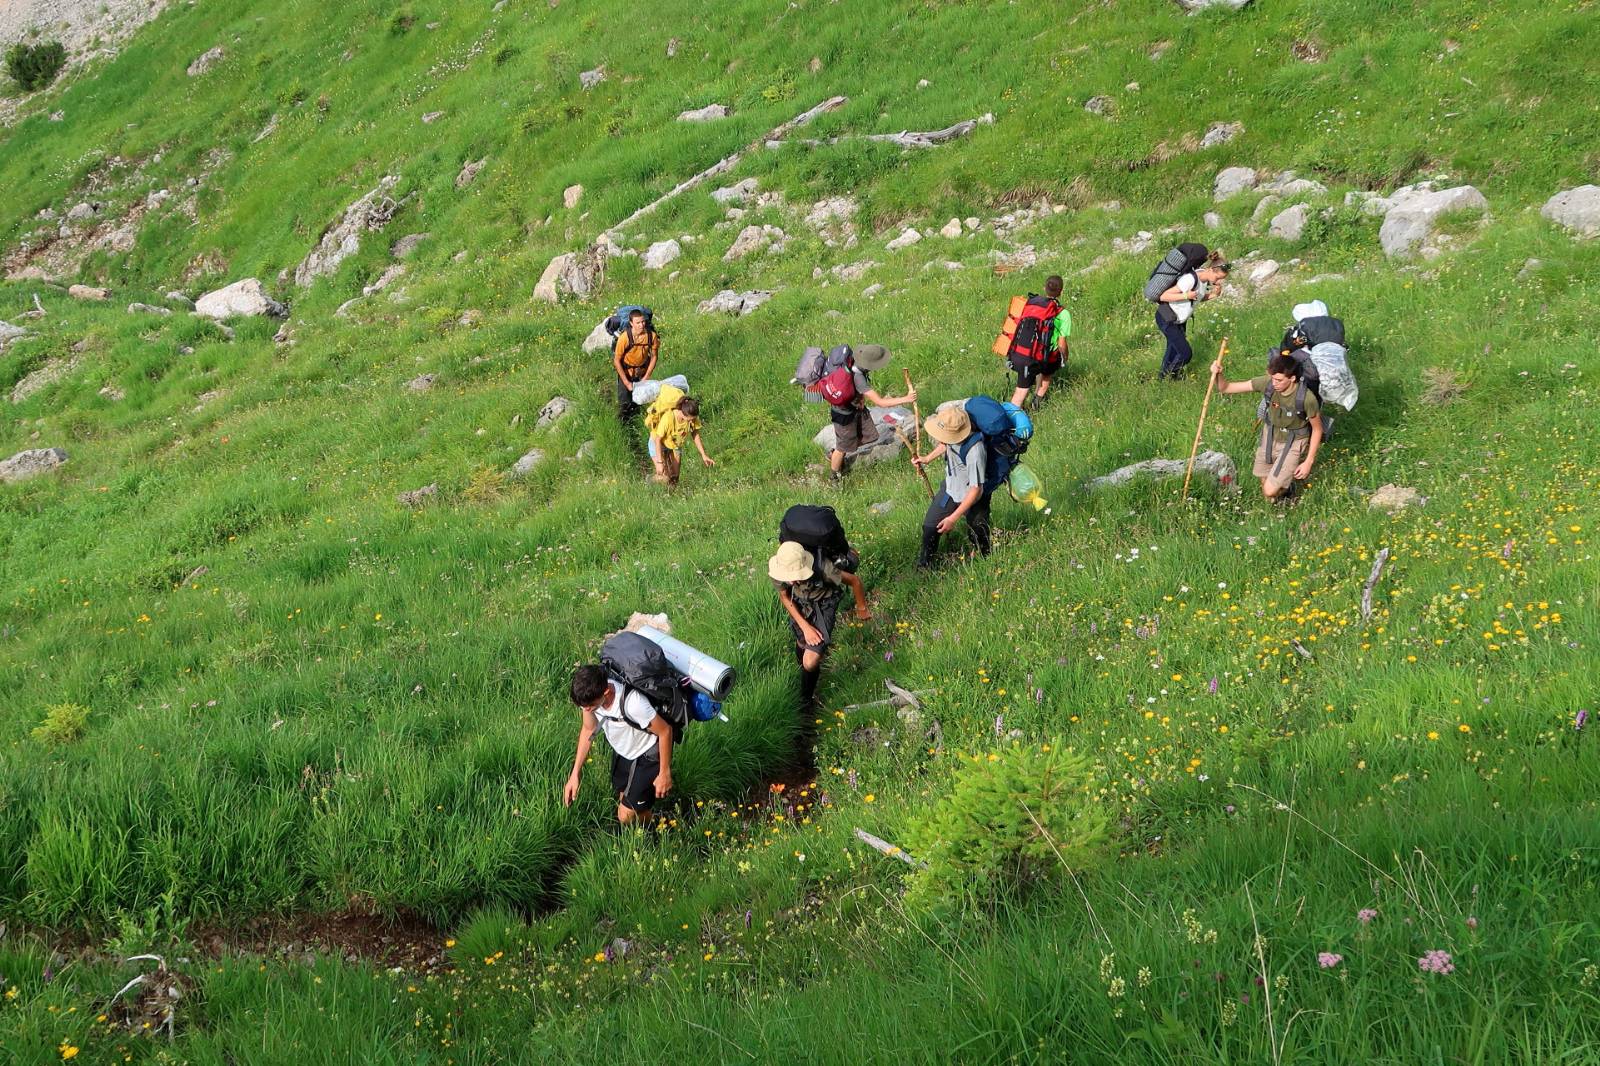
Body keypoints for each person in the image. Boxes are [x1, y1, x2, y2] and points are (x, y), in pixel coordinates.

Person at [563, 664, 674, 826]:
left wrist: (664, 773)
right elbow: (588, 729)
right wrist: (575, 774)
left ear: (606, 692)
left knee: (625, 815)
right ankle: (647, 821)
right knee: (624, 798)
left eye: (590, 707)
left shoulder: (634, 703)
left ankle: (657, 826)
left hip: (647, 753)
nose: (586, 710)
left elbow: (665, 731)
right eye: (583, 707)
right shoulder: (589, 700)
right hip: (624, 750)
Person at [769, 538, 870, 712]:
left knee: (810, 661)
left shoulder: (824, 568)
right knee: (801, 643)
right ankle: (806, 673)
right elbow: (784, 596)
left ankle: (805, 701)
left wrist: (862, 609)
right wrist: (805, 627)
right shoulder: (778, 569)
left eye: (794, 576)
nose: (790, 581)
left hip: (825, 604)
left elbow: (855, 581)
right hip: (799, 602)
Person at [1209, 351, 1324, 502]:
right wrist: (1218, 374)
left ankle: (1288, 489)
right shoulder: (1269, 383)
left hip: (1293, 441)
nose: (1274, 383)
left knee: (1269, 491)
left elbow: (1317, 429)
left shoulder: (1307, 399)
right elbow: (1226, 388)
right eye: (1272, 378)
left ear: (1292, 378)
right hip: (1269, 436)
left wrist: (1308, 462)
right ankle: (1283, 499)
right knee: (1266, 488)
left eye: (1279, 380)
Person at [912, 403, 992, 567]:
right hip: (950, 488)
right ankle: (925, 566)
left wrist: (953, 518)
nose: (941, 437)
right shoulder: (952, 436)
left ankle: (987, 562)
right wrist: (927, 459)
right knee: (930, 527)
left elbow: (975, 489)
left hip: (973, 498)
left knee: (978, 532)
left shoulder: (975, 452)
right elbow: (946, 444)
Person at [825, 344, 916, 480]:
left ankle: (837, 453)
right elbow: (880, 402)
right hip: (844, 417)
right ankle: (834, 475)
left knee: (867, 436)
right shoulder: (859, 377)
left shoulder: (853, 361)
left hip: (852, 410)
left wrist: (859, 397)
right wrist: (906, 398)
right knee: (842, 448)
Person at [1155, 252, 1229, 381]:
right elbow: (1164, 296)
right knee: (1185, 353)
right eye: (1217, 278)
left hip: (1179, 321)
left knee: (1173, 349)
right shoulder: (1190, 279)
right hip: (1167, 319)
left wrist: (1213, 295)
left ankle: (1163, 378)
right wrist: (1185, 295)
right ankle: (1170, 375)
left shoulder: (1204, 280)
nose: (1218, 282)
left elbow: (1197, 298)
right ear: (1210, 270)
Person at [1008, 275, 1070, 410]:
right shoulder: (1063, 313)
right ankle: (1033, 405)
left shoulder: (1032, 304)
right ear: (1061, 291)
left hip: (1022, 351)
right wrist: (1064, 357)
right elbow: (1061, 343)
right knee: (1024, 391)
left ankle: (1026, 409)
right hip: (1040, 356)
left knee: (1032, 377)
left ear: (1044, 288)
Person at [645, 387, 714, 485]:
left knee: (675, 477)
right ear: (682, 413)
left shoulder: (692, 418)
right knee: (664, 477)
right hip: (657, 444)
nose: (691, 421)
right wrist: (660, 462)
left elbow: (695, 434)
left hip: (674, 444)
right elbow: (657, 440)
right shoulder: (668, 418)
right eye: (689, 419)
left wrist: (704, 455)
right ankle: (650, 480)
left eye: (693, 419)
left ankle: (671, 493)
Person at [611, 309, 659, 421]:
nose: (641, 325)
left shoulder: (651, 336)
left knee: (641, 400)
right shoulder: (624, 338)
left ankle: (638, 420)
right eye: (638, 323)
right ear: (631, 323)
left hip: (642, 372)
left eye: (643, 322)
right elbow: (617, 360)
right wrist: (626, 382)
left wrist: (646, 377)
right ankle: (624, 424)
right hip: (626, 372)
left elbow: (654, 357)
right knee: (624, 402)